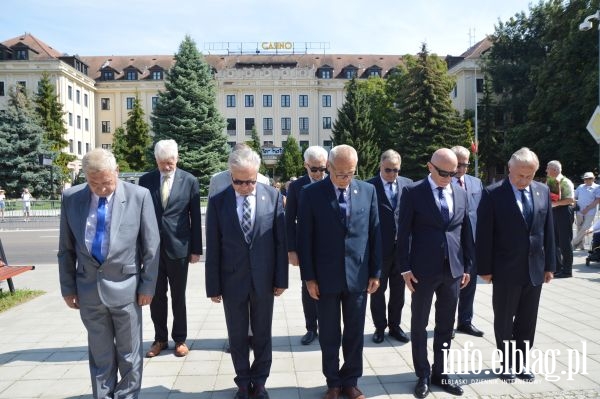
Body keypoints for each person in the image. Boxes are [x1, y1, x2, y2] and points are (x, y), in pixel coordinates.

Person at [58, 148, 160, 399]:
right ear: (85, 177)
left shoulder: (139, 196)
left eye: (107, 182)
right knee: (100, 354)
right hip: (89, 291)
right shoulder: (71, 198)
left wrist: (148, 286)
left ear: (116, 172)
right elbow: (65, 249)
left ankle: (127, 395)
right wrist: (68, 288)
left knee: (129, 354)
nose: (102, 188)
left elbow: (151, 246)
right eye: (94, 183)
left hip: (127, 289)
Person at [297, 144, 381, 399]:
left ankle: (351, 381)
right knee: (330, 334)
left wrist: (375, 272)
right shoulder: (311, 193)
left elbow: (375, 233)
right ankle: (333, 381)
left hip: (358, 276)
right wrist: (308, 278)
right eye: (339, 174)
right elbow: (305, 239)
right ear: (328, 168)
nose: (345, 179)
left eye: (350, 173)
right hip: (325, 278)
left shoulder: (368, 191)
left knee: (355, 333)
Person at [205, 147, 288, 399]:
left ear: (258, 174)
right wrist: (213, 286)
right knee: (237, 334)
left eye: (250, 181)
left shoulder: (272, 197)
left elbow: (279, 242)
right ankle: (243, 381)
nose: (245, 186)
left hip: (263, 279)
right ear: (230, 175)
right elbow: (214, 245)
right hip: (232, 280)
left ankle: (260, 381)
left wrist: (280, 279)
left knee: (263, 332)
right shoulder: (219, 201)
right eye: (239, 181)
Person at [396, 148, 473, 398]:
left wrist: (467, 266)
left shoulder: (460, 193)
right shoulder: (412, 192)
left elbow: (465, 231)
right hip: (422, 271)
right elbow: (403, 232)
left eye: (454, 172)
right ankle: (423, 375)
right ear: (430, 167)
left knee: (446, 325)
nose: (448, 177)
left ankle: (441, 372)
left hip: (452, 270)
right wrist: (405, 268)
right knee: (419, 323)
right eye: (443, 172)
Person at [477, 147, 555, 383]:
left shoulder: (542, 191)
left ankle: (521, 363)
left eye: (529, 175)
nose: (524, 180)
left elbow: (548, 231)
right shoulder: (492, 194)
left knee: (527, 320)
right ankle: (506, 363)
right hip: (505, 269)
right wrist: (485, 269)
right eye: (519, 175)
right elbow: (484, 235)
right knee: (504, 319)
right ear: (509, 169)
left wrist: (550, 265)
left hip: (534, 269)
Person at [138, 139, 202, 358]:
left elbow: (195, 216)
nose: (166, 167)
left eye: (170, 162)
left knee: (178, 296)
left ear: (177, 159)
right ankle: (160, 339)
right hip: (152, 250)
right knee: (156, 296)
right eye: (162, 163)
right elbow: (139, 217)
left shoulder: (190, 181)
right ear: (156, 160)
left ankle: (181, 339)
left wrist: (196, 249)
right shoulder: (145, 181)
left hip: (179, 249)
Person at [366, 149, 411, 344]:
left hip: (401, 250)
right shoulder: (369, 187)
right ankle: (379, 327)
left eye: (396, 170)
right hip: (379, 249)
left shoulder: (408, 185)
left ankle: (395, 325)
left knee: (399, 291)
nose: (392, 174)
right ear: (380, 167)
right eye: (388, 170)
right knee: (377, 291)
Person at [286, 145, 328, 345]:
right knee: (308, 287)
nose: (320, 173)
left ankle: (329, 326)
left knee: (330, 287)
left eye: (323, 168)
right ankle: (311, 328)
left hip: (329, 246)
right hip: (306, 246)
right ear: (306, 166)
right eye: (315, 169)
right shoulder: (296, 187)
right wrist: (291, 250)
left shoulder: (331, 182)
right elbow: (289, 219)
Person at [450, 145, 484, 338]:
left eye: (466, 164)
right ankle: (447, 322)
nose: (462, 169)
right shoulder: (444, 182)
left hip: (473, 242)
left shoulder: (476, 183)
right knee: (451, 285)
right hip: (454, 242)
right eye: (459, 164)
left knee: (469, 284)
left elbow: (481, 211)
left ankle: (465, 321)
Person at [545, 160, 575, 278]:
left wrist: (554, 204)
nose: (546, 170)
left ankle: (567, 270)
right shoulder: (550, 182)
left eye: (548, 168)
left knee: (565, 242)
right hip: (555, 211)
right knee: (555, 241)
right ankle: (557, 267)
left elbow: (570, 200)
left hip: (564, 211)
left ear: (555, 170)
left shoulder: (565, 182)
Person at [572, 172, 598, 250]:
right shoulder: (580, 186)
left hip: (590, 212)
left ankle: (573, 243)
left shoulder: (597, 187)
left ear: (593, 179)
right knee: (579, 228)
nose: (586, 180)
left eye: (588, 178)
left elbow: (597, 201)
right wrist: (575, 204)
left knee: (585, 228)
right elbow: (574, 196)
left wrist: (587, 209)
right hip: (579, 211)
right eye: (585, 179)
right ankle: (580, 246)